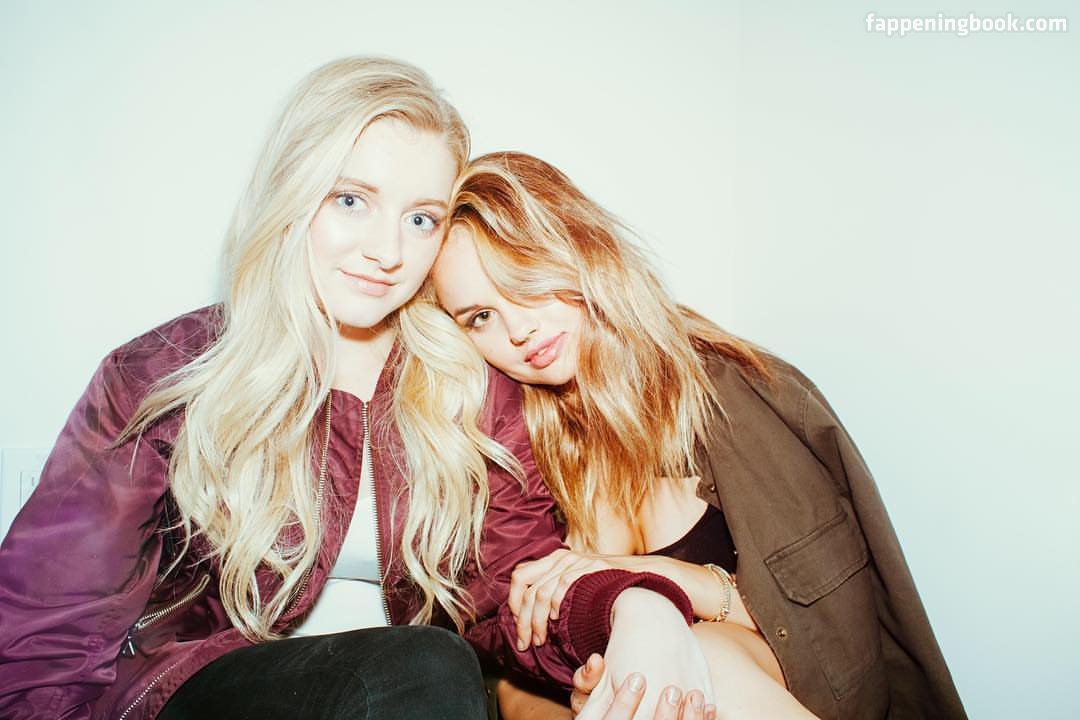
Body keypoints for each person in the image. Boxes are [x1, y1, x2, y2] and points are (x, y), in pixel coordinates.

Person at [0, 59, 692, 720]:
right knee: (425, 662)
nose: (386, 252)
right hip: (202, 695)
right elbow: (48, 631)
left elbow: (517, 596)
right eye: (352, 201)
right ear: (293, 193)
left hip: (424, 694)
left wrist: (636, 606)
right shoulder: (162, 375)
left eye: (420, 219)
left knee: (433, 663)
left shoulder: (472, 386)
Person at [432, 151, 969, 719]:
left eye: (525, 281)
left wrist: (649, 580)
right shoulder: (519, 458)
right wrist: (591, 695)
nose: (519, 328)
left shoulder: (731, 394)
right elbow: (511, 679)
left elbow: (826, 624)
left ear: (581, 247)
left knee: (703, 659)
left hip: (788, 696)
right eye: (480, 317)